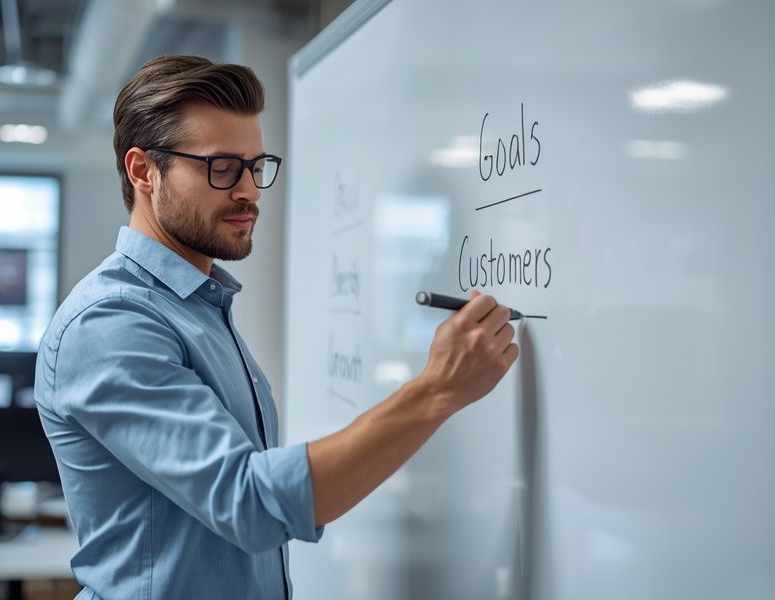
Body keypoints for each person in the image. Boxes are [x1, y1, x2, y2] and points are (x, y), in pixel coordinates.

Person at [34, 55, 519, 600]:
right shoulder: (111, 323)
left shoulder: (199, 306)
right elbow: (251, 504)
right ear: (144, 171)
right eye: (222, 168)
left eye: (256, 165)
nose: (250, 191)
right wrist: (436, 391)